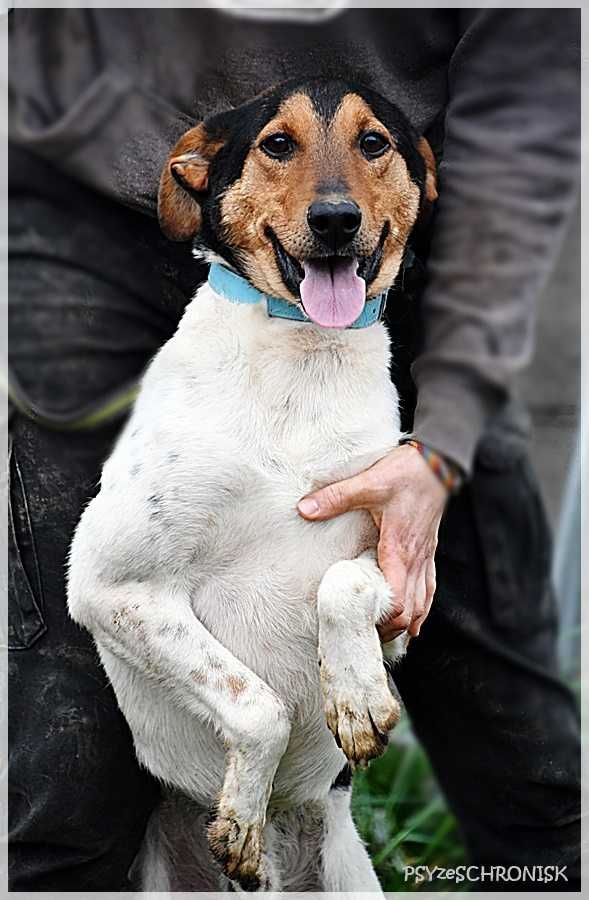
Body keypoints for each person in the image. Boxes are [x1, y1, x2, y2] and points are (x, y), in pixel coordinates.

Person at [8, 8, 581, 892]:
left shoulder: (402, 189)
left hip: (423, 267)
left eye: (368, 151)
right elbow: (105, 587)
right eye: (288, 148)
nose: (331, 193)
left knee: (530, 767)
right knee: (66, 791)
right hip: (85, 212)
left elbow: (522, 128)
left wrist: (444, 443)